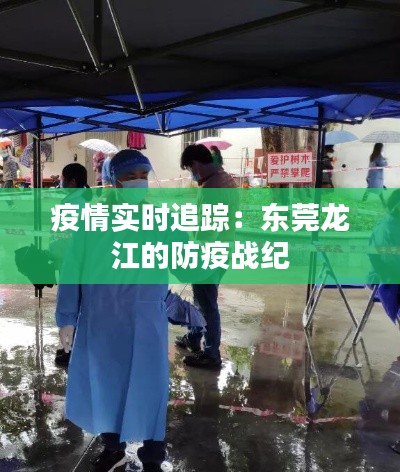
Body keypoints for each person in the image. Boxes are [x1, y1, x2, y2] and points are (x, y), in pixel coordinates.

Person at [55, 150, 168, 472]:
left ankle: (153, 455)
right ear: (112, 181)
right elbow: (72, 269)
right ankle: (113, 447)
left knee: (151, 387)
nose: (138, 183)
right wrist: (67, 318)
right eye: (130, 177)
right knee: (106, 385)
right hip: (102, 318)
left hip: (146, 319)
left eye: (143, 176)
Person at [175, 144, 237, 369]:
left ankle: (211, 354)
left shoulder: (212, 188)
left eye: (190, 169)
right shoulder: (226, 179)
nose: (191, 174)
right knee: (202, 299)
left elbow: (207, 231)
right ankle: (193, 337)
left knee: (207, 303)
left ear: (195, 164)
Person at [53, 163, 91, 368]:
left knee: (71, 305)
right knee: (79, 303)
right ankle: (72, 346)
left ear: (72, 182)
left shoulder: (71, 205)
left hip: (71, 263)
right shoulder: (85, 202)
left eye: (63, 179)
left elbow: (62, 239)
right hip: (83, 264)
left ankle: (72, 349)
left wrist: (52, 255)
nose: (61, 182)